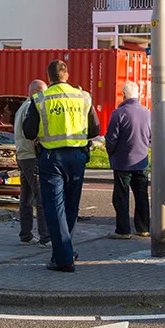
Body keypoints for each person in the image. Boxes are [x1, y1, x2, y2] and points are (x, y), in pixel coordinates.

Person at [23, 60, 100, 272]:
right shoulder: (83, 97)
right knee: (70, 206)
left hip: (52, 159)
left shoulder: (40, 98)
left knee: (54, 209)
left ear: (49, 78)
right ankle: (65, 251)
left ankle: (64, 259)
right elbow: (94, 130)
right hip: (77, 157)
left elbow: (29, 131)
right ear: (66, 75)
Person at [105, 81, 151, 239]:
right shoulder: (147, 112)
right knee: (142, 196)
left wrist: (111, 153)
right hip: (142, 161)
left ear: (123, 95)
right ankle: (143, 228)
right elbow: (151, 138)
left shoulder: (119, 113)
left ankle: (123, 230)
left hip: (122, 162)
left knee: (121, 197)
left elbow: (111, 139)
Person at [14, 79, 50, 247]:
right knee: (41, 197)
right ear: (36, 91)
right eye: (44, 92)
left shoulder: (22, 106)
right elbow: (30, 132)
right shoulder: (31, 107)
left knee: (26, 197)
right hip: (31, 156)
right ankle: (45, 237)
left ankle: (26, 234)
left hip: (22, 156)